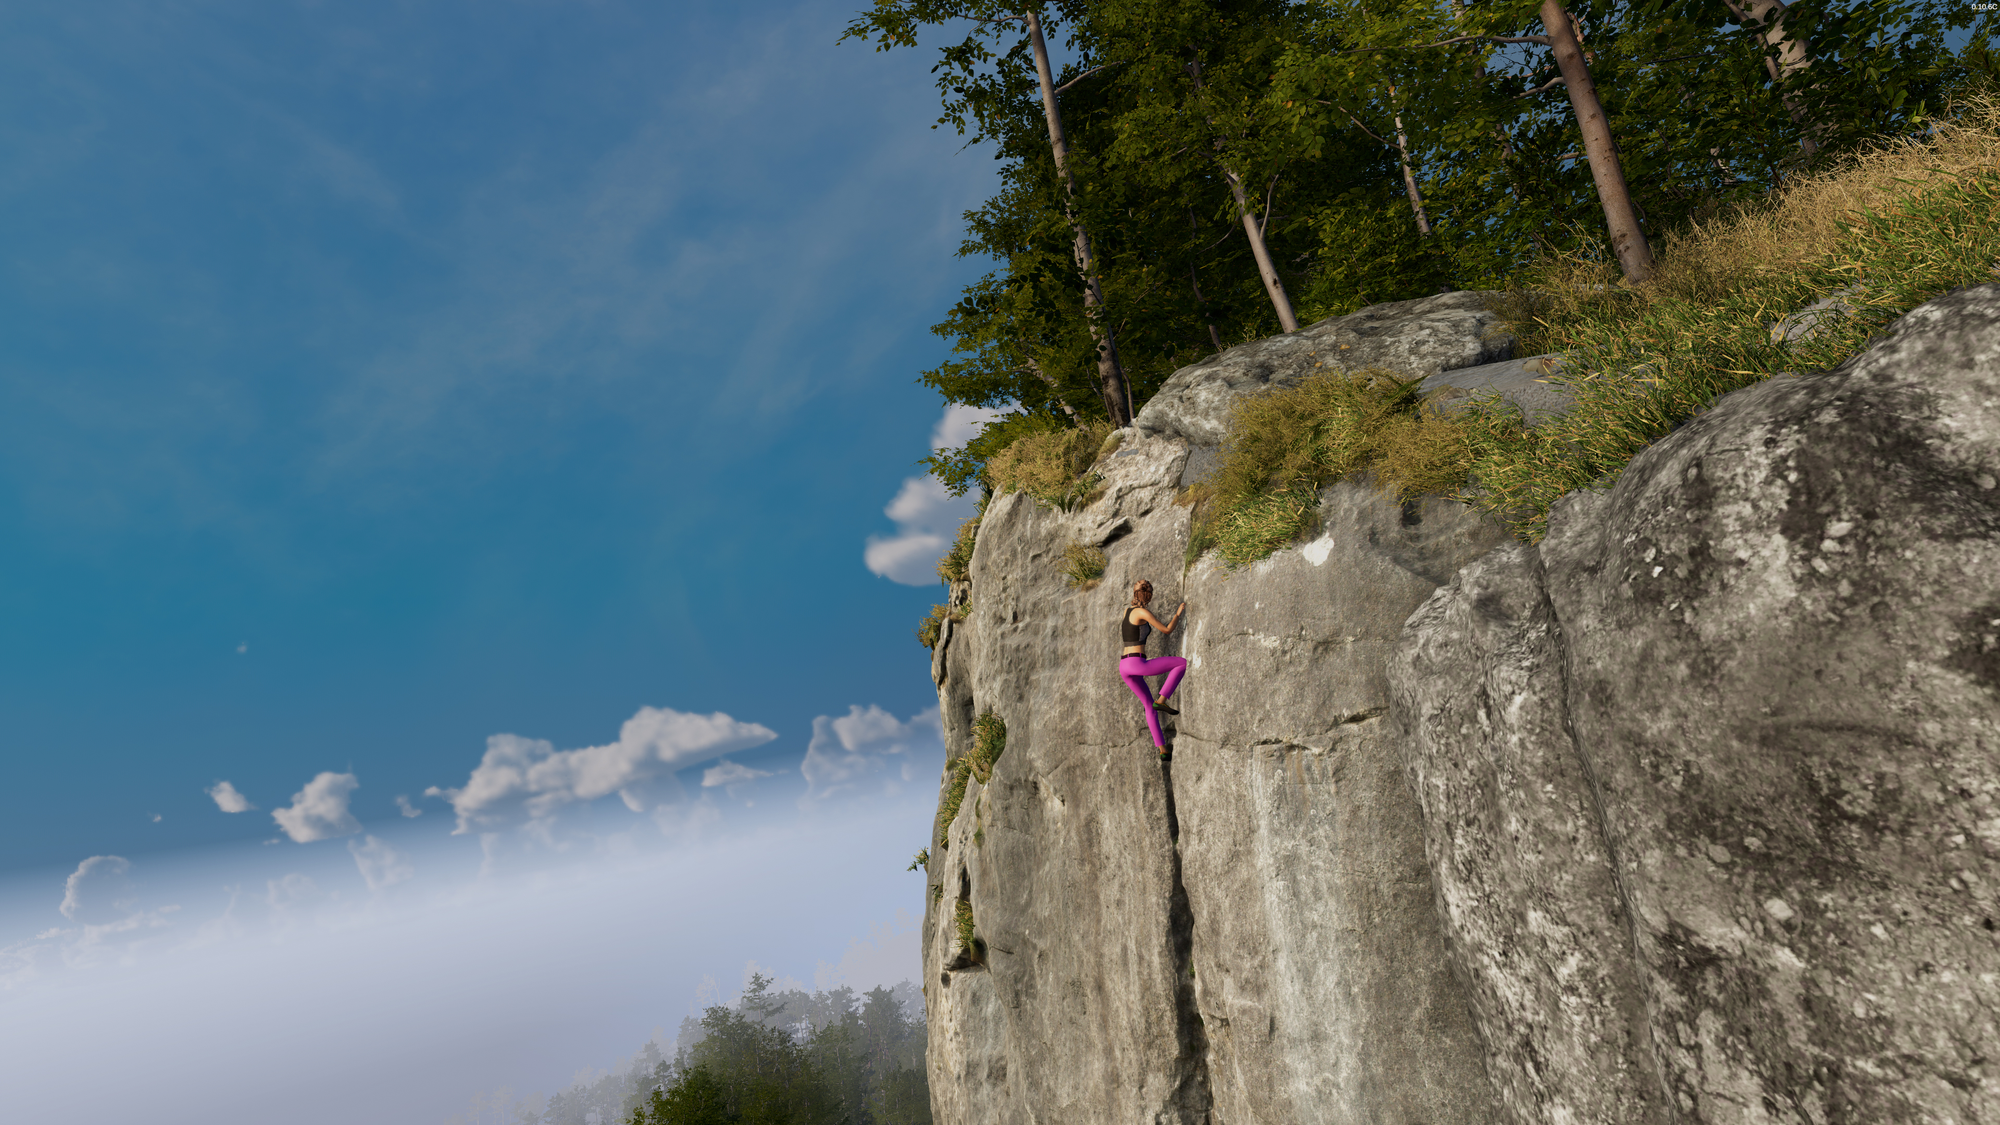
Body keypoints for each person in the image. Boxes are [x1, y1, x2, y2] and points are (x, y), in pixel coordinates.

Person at [1119, 580, 1187, 756]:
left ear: (1134, 594)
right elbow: (1166, 630)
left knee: (1148, 706)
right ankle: (1162, 701)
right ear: (1148, 596)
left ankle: (1163, 751)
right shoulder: (1142, 612)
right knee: (1181, 663)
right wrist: (1177, 614)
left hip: (1124, 666)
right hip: (1137, 663)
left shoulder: (1127, 611)